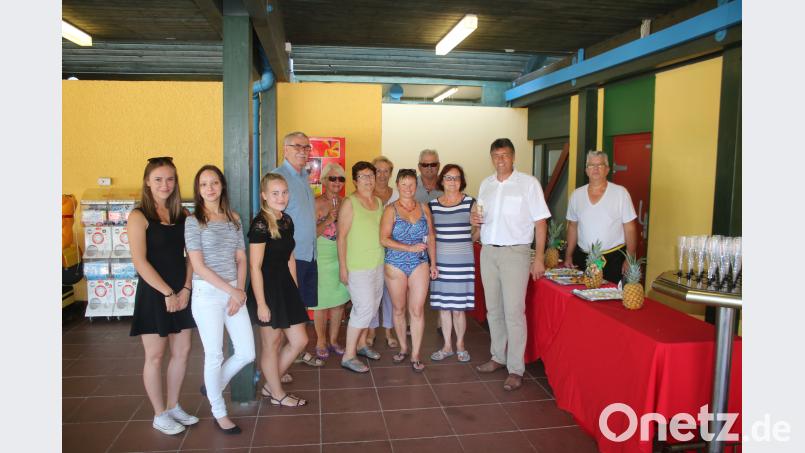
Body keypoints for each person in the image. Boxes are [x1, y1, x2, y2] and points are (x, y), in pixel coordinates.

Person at [470, 138, 551, 392]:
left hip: (516, 253)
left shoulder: (528, 184)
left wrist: (538, 257)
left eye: (505, 155)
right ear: (491, 157)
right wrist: (474, 221)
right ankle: (498, 356)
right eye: (496, 155)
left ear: (513, 157)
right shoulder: (486, 184)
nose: (500, 160)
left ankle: (516, 369)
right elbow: (479, 220)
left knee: (514, 312)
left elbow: (540, 223)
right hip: (488, 252)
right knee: (493, 309)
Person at [128, 156, 198, 435]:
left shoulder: (185, 216)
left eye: (170, 179)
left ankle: (173, 405)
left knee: (182, 352)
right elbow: (139, 261)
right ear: (147, 181)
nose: (165, 184)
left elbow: (193, 256)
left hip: (181, 291)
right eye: (158, 179)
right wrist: (168, 292)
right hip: (155, 292)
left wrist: (186, 289)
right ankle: (159, 414)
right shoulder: (139, 216)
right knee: (155, 355)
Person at [184, 165, 255, 434]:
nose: (210, 188)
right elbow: (198, 266)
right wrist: (232, 290)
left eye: (214, 183)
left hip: (234, 292)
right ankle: (219, 411)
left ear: (222, 185)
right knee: (214, 354)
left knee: (247, 352)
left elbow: (241, 258)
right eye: (203, 184)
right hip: (208, 294)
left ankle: (213, 385)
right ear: (198, 189)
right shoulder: (193, 221)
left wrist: (239, 290)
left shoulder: (233, 218)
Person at [246, 173, 309, 407]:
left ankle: (269, 384)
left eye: (284, 192)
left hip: (285, 285)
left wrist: (294, 288)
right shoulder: (260, 224)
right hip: (267, 288)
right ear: (264, 195)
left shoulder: (286, 220)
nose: (281, 197)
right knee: (271, 345)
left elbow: (290, 257)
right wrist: (261, 303)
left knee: (299, 340)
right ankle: (277, 393)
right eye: (275, 193)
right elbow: (254, 266)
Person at [272, 131, 324, 368]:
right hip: (289, 258)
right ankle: (278, 365)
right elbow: (271, 220)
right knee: (285, 314)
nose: (304, 151)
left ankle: (296, 352)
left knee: (300, 308)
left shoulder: (303, 176)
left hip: (308, 254)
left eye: (307, 147)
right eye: (298, 147)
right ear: (285, 149)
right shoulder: (277, 177)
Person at [381, 169, 438, 373]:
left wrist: (433, 264)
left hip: (420, 262)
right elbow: (383, 239)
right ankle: (404, 348)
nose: (408, 188)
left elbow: (431, 236)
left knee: (417, 310)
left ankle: (415, 354)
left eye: (412, 184)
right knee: (398, 309)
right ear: (397, 185)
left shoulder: (423, 208)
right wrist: (408, 248)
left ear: (417, 186)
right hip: (395, 263)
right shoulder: (390, 210)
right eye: (404, 184)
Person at [337, 161, 385, 373]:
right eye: (363, 176)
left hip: (378, 263)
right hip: (357, 266)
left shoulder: (378, 202)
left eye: (371, 175)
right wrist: (343, 267)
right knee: (363, 308)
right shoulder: (350, 202)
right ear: (355, 181)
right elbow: (341, 237)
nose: (368, 179)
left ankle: (362, 344)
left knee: (372, 308)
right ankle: (348, 355)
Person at [428, 164, 479, 363]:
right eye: (448, 178)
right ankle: (447, 346)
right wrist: (432, 262)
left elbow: (475, 234)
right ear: (442, 181)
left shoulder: (470, 202)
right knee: (444, 307)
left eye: (456, 178)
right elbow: (431, 236)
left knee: (458, 308)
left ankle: (460, 345)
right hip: (440, 263)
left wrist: (477, 229)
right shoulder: (432, 205)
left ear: (461, 181)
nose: (452, 182)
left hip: (462, 263)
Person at [564, 150, 638, 283]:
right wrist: (568, 255)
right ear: (586, 170)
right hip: (583, 258)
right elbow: (572, 227)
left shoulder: (620, 193)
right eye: (591, 165)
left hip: (614, 260)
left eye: (600, 165)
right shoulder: (576, 195)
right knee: (581, 299)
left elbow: (630, 228)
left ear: (607, 169)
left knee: (611, 300)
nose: (596, 169)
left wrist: (630, 258)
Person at [311, 163, 351, 360]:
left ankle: (334, 340)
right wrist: (327, 220)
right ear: (324, 180)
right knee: (321, 303)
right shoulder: (316, 203)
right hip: (322, 257)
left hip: (341, 257)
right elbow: (309, 235)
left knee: (338, 302)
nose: (337, 182)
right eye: (333, 178)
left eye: (341, 179)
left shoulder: (347, 202)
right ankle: (320, 341)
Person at [367, 155, 399, 349]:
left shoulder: (397, 195)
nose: (381, 174)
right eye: (378, 170)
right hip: (371, 251)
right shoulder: (365, 195)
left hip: (393, 251)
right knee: (371, 294)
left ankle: (388, 330)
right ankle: (370, 330)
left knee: (390, 293)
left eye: (386, 170)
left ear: (390, 173)